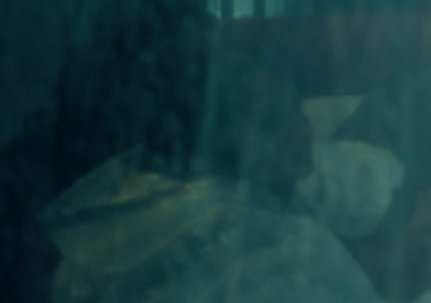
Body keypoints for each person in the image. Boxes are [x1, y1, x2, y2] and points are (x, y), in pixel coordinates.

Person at [39, 50, 380, 303]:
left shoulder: (137, 211)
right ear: (216, 144)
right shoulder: (259, 240)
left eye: (298, 111)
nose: (302, 132)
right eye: (270, 125)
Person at [0, 0, 213, 298]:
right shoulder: (112, 120)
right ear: (156, 42)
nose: (213, 26)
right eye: (196, 18)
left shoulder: (167, 113)